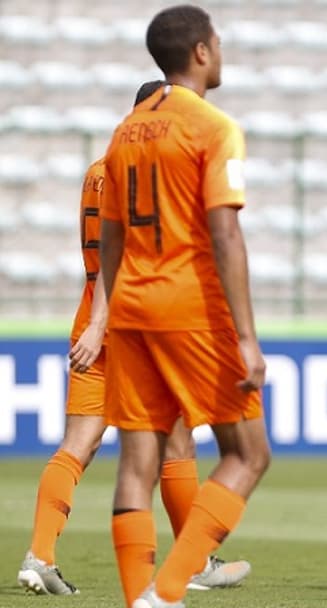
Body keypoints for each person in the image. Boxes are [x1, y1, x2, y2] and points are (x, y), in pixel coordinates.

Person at [16, 80, 251, 598]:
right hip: (140, 318)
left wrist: (96, 323)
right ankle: (194, 562)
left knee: (78, 443)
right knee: (177, 441)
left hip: (91, 312)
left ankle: (40, 555)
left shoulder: (98, 170)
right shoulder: (154, 171)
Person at [98, 6, 270, 608]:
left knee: (137, 459)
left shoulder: (125, 130)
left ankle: (134, 599)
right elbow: (225, 233)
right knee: (248, 453)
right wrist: (246, 336)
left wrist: (105, 311)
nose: (220, 52)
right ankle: (166, 592)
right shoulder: (213, 127)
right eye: (218, 43)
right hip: (190, 307)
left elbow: (112, 235)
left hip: (130, 309)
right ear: (201, 51)